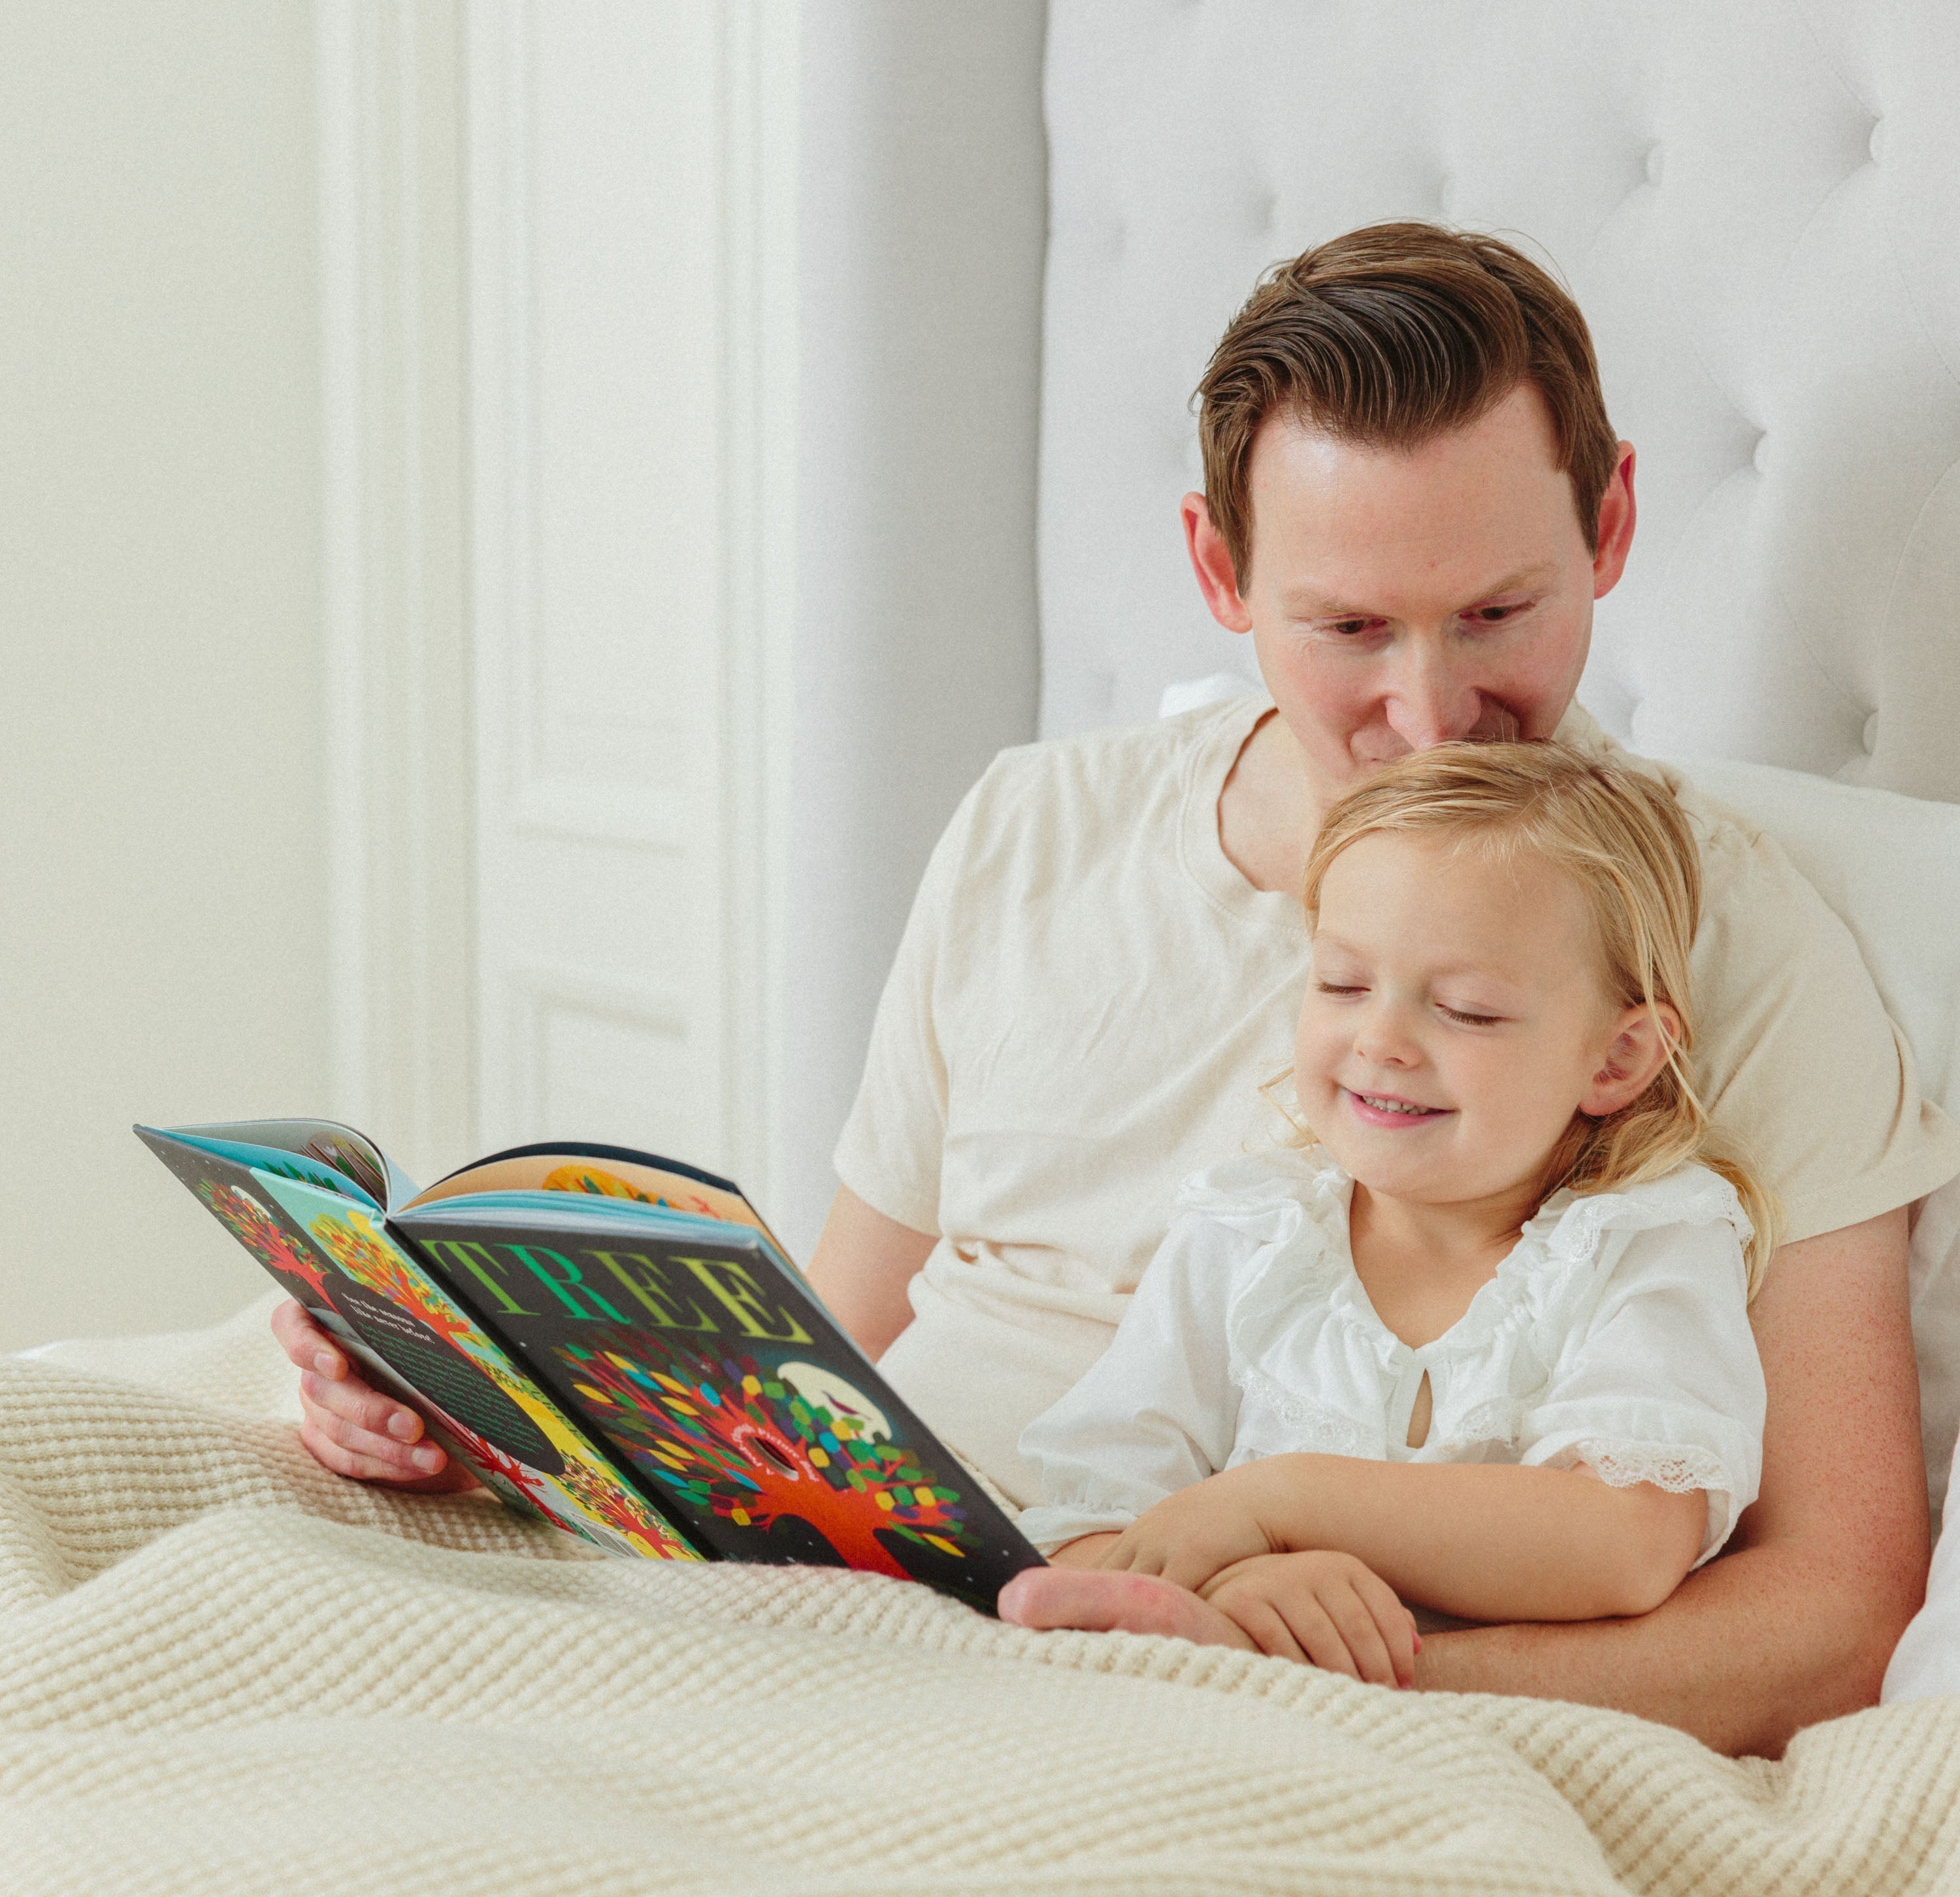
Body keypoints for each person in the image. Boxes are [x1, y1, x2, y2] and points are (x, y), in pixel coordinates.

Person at [274, 223, 1960, 1755]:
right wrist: (488, 1419)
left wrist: (1257, 1661)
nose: (1432, 714)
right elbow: (830, 1354)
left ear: (1609, 528)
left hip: (1224, 1686)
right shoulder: (1031, 828)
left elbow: (1832, 1614)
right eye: (1351, 628)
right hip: (869, 1594)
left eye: (1500, 612)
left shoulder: (1710, 941)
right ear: (1220, 576)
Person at [1007, 741, 1772, 1680]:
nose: (1381, 1040)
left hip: (1486, 1732)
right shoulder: (1247, 1236)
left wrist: (1281, 1502)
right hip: (1226, 1707)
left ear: (1616, 1060)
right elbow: (1086, 1533)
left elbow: (1627, 1540)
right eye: (1342, 985)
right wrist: (1227, 1591)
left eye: (1467, 1010)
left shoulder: (1641, 1240)